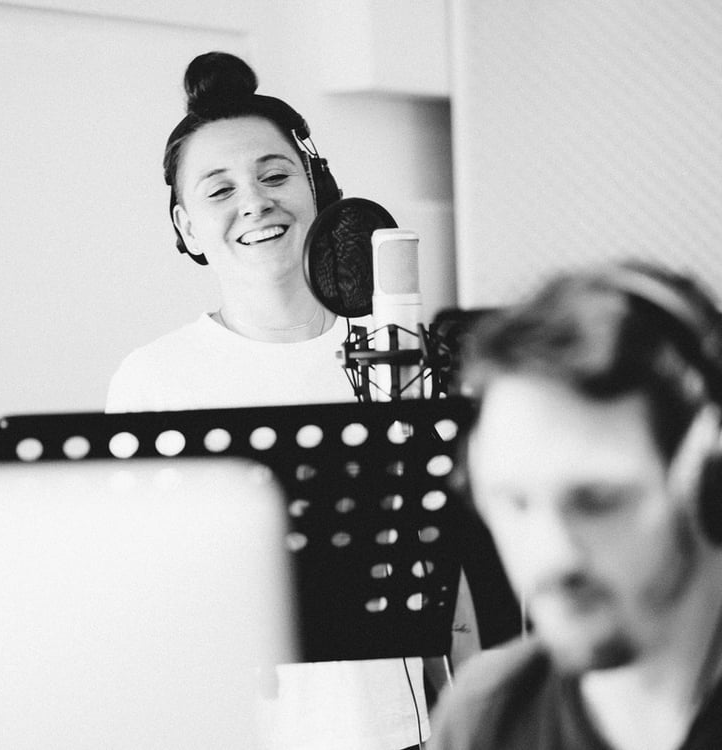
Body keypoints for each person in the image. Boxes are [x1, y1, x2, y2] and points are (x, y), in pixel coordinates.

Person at [107, 51, 432, 749]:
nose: (254, 200)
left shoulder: (400, 355)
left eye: (275, 174)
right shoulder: (154, 381)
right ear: (187, 227)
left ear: (318, 190)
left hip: (400, 732)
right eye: (218, 190)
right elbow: (143, 602)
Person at [430, 261, 722, 750]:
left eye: (598, 502)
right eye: (515, 502)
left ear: (708, 485)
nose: (551, 556)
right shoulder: (484, 720)